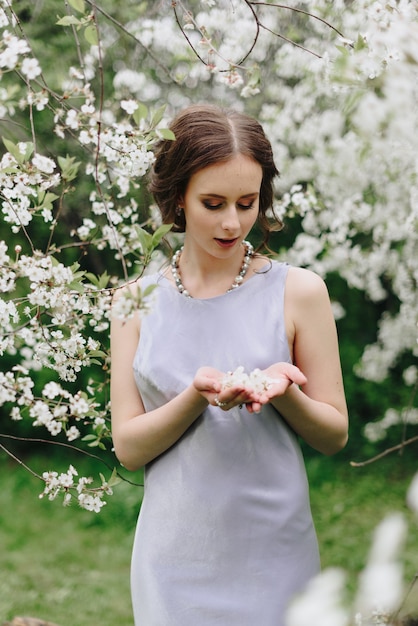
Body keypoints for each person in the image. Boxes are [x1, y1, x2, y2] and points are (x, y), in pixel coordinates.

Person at [110, 104, 348, 626]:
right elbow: (127, 447)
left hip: (275, 553)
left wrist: (286, 394)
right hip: (174, 561)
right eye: (212, 203)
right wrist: (195, 397)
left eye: (247, 202)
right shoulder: (133, 302)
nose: (233, 222)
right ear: (177, 198)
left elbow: (334, 435)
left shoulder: (299, 292)